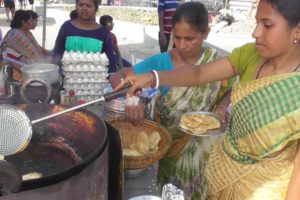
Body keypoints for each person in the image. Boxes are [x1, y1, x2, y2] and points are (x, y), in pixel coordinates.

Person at [118, 0, 300, 199]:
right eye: (256, 22)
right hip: (221, 174)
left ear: (297, 30)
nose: (255, 33)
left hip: (264, 189)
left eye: (267, 24)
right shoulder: (250, 54)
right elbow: (198, 74)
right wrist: (153, 77)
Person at [110, 2, 237, 199]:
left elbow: (229, 89)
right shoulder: (161, 62)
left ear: (206, 33)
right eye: (176, 37)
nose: (181, 44)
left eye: (189, 38)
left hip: (205, 153)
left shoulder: (215, 63)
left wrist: (221, 106)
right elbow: (117, 77)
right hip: (170, 150)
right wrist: (133, 99)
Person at [52, 0, 117, 73]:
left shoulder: (103, 32)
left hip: (96, 79)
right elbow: (57, 52)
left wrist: (112, 77)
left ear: (96, 9)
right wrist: (58, 73)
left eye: (88, 6)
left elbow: (111, 60)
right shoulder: (66, 27)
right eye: (80, 5)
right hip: (68, 79)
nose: (84, 8)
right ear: (76, 7)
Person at [0, 10, 52, 80]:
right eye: (31, 20)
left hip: (30, 69)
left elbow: (37, 48)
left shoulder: (27, 32)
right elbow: (11, 59)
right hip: (17, 73)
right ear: (23, 22)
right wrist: (30, 72)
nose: (33, 22)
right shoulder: (15, 35)